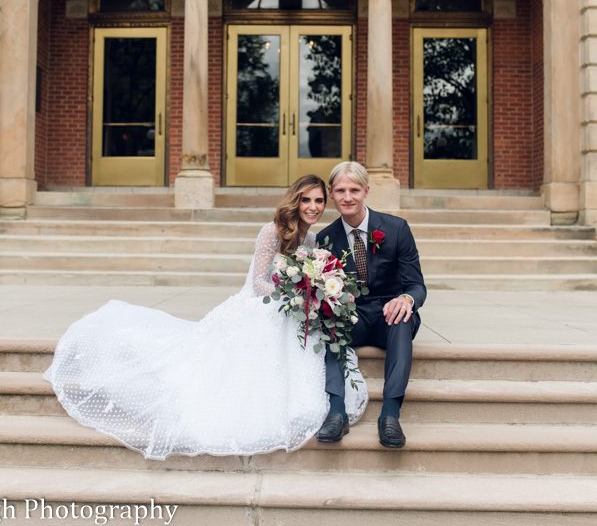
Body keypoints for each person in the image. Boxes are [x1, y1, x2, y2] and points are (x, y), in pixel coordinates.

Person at [44, 175, 367, 460]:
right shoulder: (272, 231)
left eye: (318, 201)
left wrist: (311, 294)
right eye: (306, 200)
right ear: (295, 201)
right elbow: (258, 283)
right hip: (262, 304)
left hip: (292, 307)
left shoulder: (312, 240)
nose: (313, 207)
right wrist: (293, 294)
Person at [315, 162, 426, 449]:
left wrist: (406, 299)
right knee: (330, 320)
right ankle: (336, 412)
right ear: (331, 193)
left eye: (354, 190)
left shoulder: (396, 228)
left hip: (389, 314)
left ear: (366, 190)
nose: (347, 197)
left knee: (402, 317)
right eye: (340, 191)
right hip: (353, 317)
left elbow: (417, 285)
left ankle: (390, 415)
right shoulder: (325, 238)